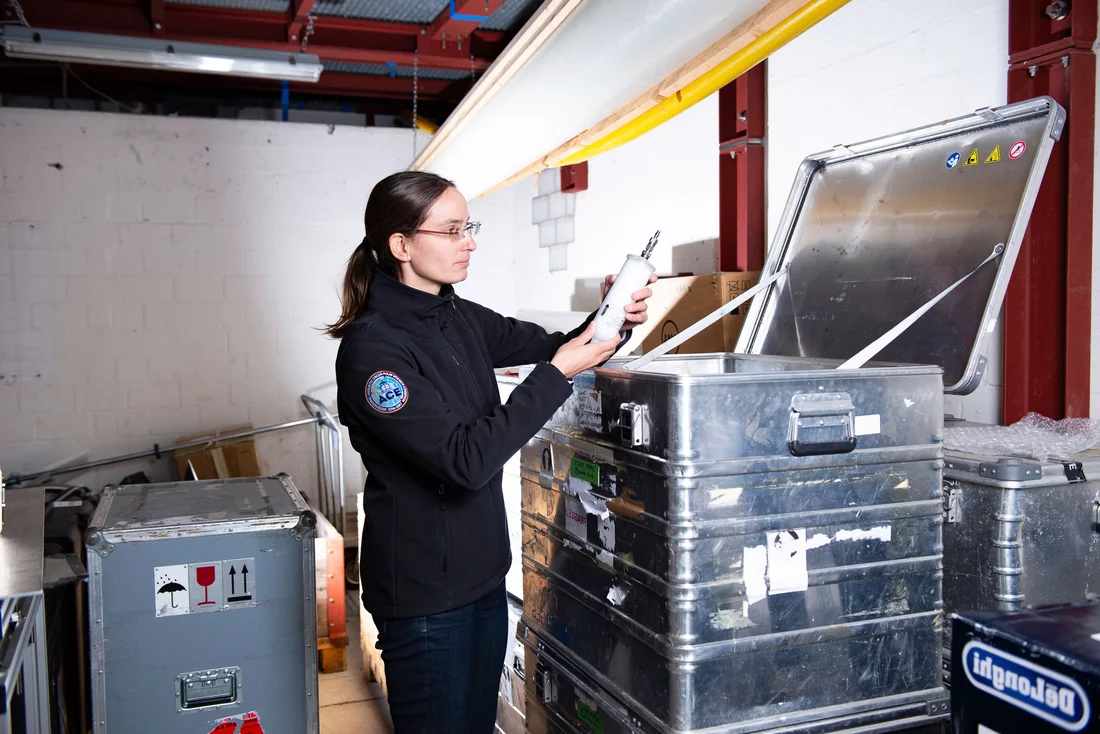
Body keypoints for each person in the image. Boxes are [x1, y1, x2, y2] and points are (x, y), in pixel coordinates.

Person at [328, 171, 655, 734]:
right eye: (453, 230)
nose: (470, 242)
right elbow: (465, 461)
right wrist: (556, 375)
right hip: (427, 598)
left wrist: (611, 317)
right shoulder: (373, 351)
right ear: (401, 246)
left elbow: (558, 346)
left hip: (480, 577)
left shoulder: (456, 314)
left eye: (469, 227)